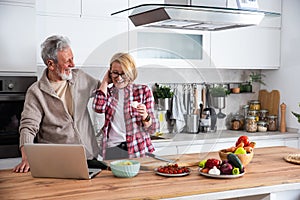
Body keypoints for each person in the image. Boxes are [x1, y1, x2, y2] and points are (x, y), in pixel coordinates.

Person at [13, 35, 107, 173]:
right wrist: (27, 157)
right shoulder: (36, 92)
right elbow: (28, 127)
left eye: (72, 58)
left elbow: (102, 91)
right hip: (57, 162)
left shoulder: (80, 77)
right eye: (67, 61)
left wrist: (109, 77)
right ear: (51, 64)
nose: (73, 64)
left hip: (89, 157)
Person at [92, 52, 159, 160]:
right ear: (110, 72)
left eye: (123, 74)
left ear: (130, 73)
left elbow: (152, 128)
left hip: (137, 149)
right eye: (115, 73)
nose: (119, 78)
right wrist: (104, 81)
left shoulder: (143, 91)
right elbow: (98, 108)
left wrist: (145, 116)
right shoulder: (108, 93)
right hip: (112, 149)